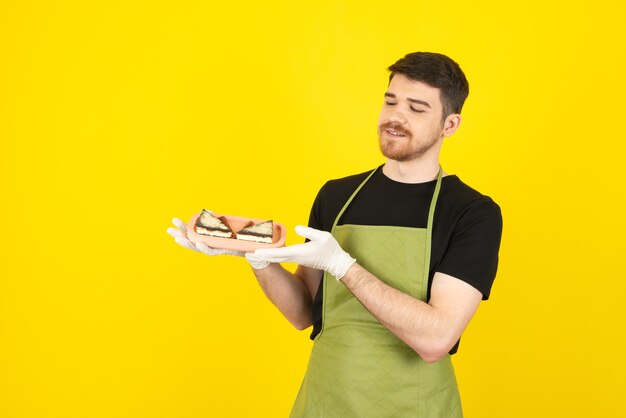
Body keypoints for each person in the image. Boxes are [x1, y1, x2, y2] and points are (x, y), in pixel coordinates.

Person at [168, 52, 503, 417]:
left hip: (412, 406)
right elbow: (302, 312)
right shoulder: (337, 196)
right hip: (326, 400)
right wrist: (257, 258)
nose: (395, 116)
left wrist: (342, 266)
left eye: (416, 108)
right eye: (390, 101)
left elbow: (437, 338)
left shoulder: (472, 212)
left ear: (449, 125)